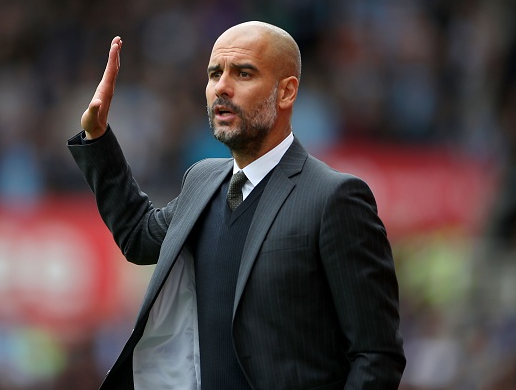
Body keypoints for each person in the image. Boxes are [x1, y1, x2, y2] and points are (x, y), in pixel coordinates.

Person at [67, 21, 405, 389]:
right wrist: (98, 137)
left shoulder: (335, 198)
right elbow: (138, 235)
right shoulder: (202, 182)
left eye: (243, 73)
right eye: (215, 74)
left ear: (286, 92)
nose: (222, 87)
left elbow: (376, 355)